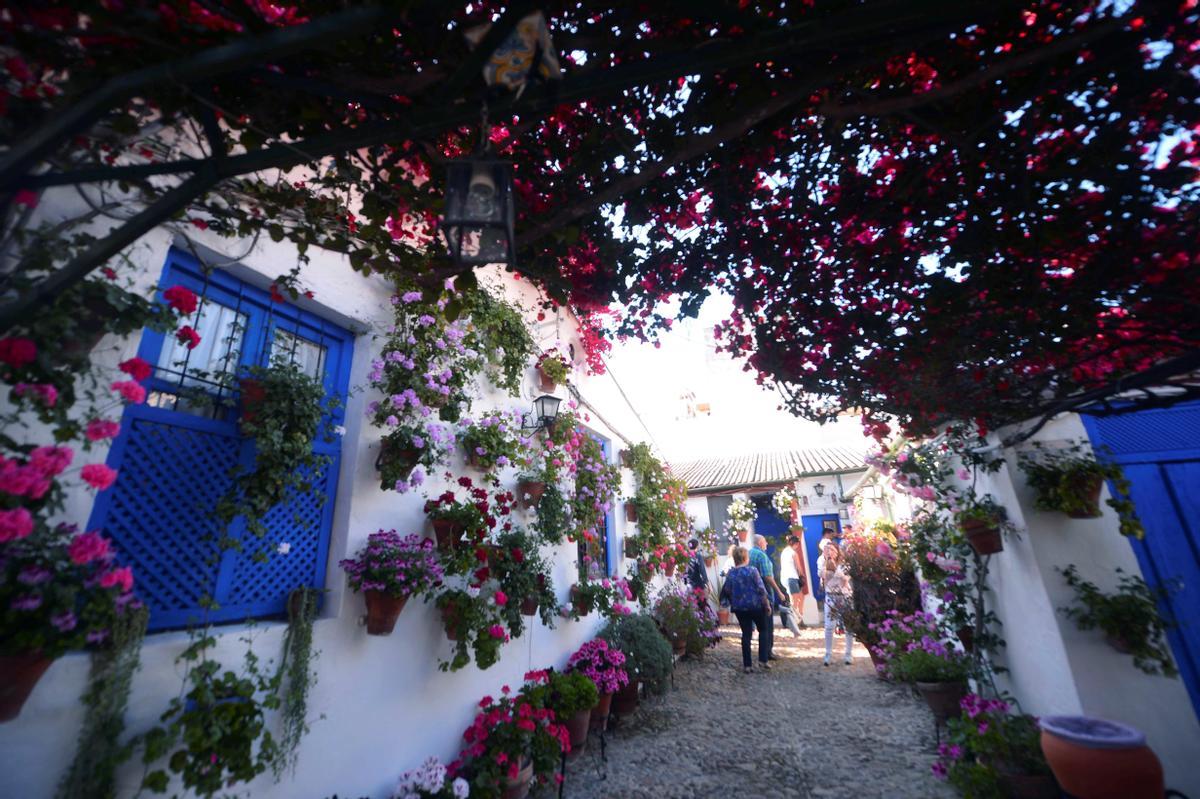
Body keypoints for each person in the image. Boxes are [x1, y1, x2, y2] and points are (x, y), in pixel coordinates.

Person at [718, 546, 772, 673]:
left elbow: (727, 590)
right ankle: (763, 660)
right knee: (763, 630)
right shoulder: (752, 571)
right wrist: (767, 604)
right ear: (745, 558)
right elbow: (761, 589)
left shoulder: (731, 574)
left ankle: (747, 665)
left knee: (746, 634)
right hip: (756, 606)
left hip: (740, 608)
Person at [751, 534, 788, 660]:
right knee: (767, 625)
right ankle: (767, 653)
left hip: (752, 594)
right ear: (760, 543)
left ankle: (762, 653)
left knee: (760, 625)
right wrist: (779, 592)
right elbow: (767, 576)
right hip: (764, 593)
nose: (766, 544)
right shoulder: (761, 555)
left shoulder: (748, 553)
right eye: (765, 542)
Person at [817, 540, 854, 666]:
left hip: (845, 597)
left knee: (849, 626)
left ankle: (848, 654)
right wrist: (829, 566)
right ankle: (828, 654)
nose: (829, 552)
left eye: (832, 549)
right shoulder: (822, 563)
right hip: (831, 597)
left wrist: (837, 572)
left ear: (837, 551)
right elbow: (824, 577)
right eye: (827, 550)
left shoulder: (845, 565)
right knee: (829, 627)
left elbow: (845, 580)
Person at [780, 534, 808, 629]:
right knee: (795, 601)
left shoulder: (784, 552)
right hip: (792, 578)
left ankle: (799, 618)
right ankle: (793, 621)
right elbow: (799, 567)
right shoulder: (793, 553)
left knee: (801, 597)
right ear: (796, 544)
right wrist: (802, 576)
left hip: (786, 577)